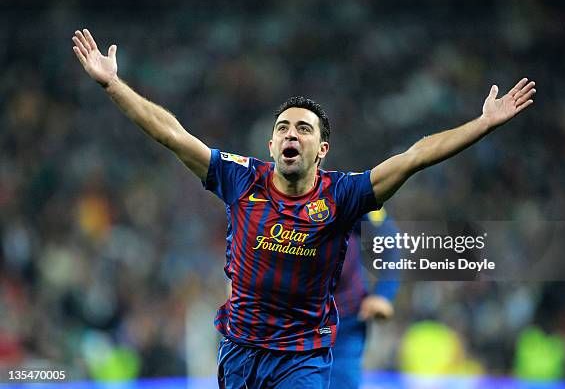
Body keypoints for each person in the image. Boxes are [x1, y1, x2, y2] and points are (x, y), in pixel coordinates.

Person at [71, 28, 536, 388]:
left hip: (303, 356)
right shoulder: (240, 177)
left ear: (323, 148)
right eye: (284, 127)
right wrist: (113, 85)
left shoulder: (344, 195)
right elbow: (171, 133)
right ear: (271, 143)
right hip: (239, 350)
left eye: (304, 129)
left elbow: (415, 157)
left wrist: (482, 124)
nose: (292, 133)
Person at [331, 208, 399, 389]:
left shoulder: (348, 186)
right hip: (292, 320)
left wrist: (383, 294)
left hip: (346, 318)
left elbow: (388, 239)